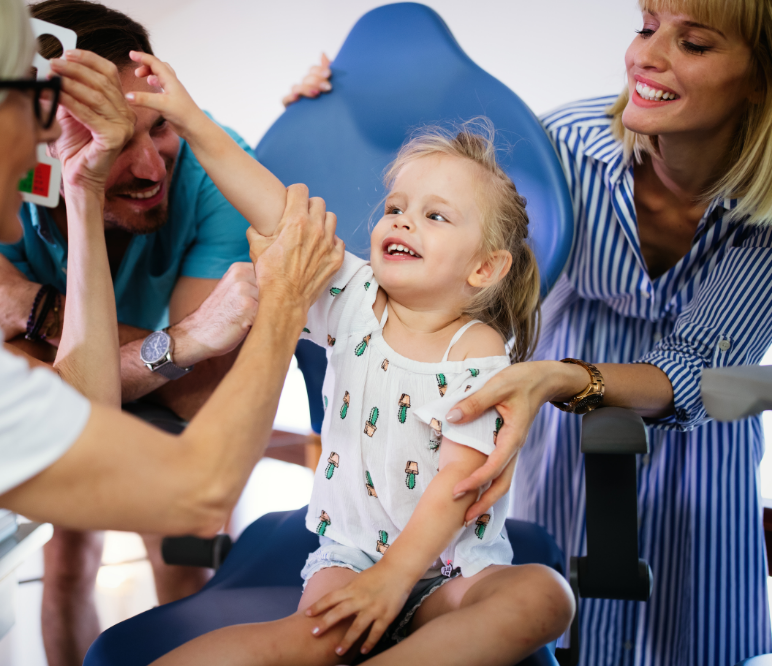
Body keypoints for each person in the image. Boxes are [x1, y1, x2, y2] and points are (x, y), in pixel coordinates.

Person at [0, 0, 343, 664]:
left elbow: (85, 403)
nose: (43, 142)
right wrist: (283, 301)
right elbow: (197, 490)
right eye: (29, 106)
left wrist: (83, 185)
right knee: (78, 551)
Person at [294, 0, 772, 662]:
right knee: (545, 624)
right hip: (545, 418)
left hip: (697, 443)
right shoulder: (568, 146)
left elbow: (704, 371)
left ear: (760, 75)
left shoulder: (765, 211)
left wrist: (557, 377)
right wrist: (328, 114)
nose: (646, 55)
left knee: (692, 637)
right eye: (646, 25)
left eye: (692, 43)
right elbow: (444, 219)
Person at [122, 52, 574, 665]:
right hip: (352, 558)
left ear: (484, 268)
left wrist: (396, 583)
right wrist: (189, 118)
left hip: (451, 569)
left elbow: (457, 488)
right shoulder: (354, 300)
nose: (403, 219)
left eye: (434, 215)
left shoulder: (477, 350)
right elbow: (278, 213)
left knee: (546, 596)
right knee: (309, 637)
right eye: (396, 207)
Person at [0, 4, 259, 659]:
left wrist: (35, 308)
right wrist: (181, 344)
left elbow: (205, 402)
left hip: (176, 426)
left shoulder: (217, 171)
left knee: (184, 556)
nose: (149, 169)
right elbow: (38, 398)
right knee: (61, 562)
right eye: (112, 143)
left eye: (158, 128)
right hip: (79, 415)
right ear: (38, 149)